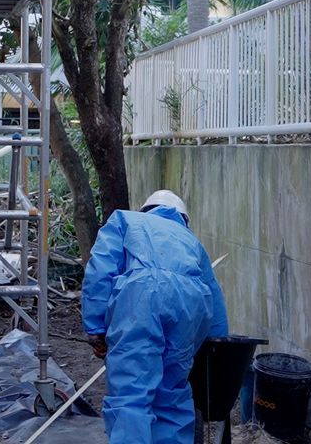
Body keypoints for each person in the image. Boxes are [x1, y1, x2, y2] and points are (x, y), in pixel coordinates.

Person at [82, 189, 229, 443]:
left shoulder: (124, 220)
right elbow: (214, 299)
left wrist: (95, 327)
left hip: (141, 298)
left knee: (131, 394)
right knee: (172, 394)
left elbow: (101, 268)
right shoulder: (192, 241)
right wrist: (217, 343)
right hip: (191, 305)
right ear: (183, 218)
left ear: (146, 209)